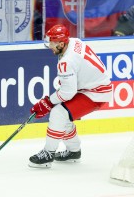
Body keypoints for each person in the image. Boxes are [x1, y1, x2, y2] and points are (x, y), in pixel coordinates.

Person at [28, 24, 112, 168]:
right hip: (91, 87)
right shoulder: (74, 42)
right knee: (64, 114)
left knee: (59, 113)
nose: (50, 46)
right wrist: (52, 101)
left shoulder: (67, 61)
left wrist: (48, 102)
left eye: (52, 43)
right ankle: (74, 151)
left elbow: (68, 92)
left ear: (61, 43)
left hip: (96, 93)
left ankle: (48, 153)